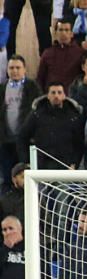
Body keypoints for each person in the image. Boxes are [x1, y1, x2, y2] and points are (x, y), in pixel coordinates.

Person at [17, 82, 85, 169]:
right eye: (53, 93)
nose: (56, 96)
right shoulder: (37, 114)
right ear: (48, 95)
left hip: (65, 165)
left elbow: (79, 143)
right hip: (41, 165)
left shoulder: (74, 116)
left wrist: (75, 162)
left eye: (59, 92)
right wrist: (27, 162)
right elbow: (22, 137)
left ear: (64, 95)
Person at [0, 57, 41, 185]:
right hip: (6, 141)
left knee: (26, 179)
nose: (15, 71)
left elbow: (37, 112)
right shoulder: (2, 88)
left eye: (18, 68)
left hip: (26, 142)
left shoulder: (33, 86)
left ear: (25, 70)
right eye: (11, 68)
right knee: (7, 178)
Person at [38, 19, 85, 92]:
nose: (63, 33)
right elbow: (40, 78)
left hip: (73, 96)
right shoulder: (47, 53)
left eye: (66, 30)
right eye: (60, 30)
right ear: (56, 33)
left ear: (72, 33)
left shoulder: (80, 53)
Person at [0, 215, 25, 279]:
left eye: (11, 228)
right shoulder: (1, 250)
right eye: (4, 229)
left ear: (20, 229)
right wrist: (6, 247)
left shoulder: (33, 249)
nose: (8, 232)